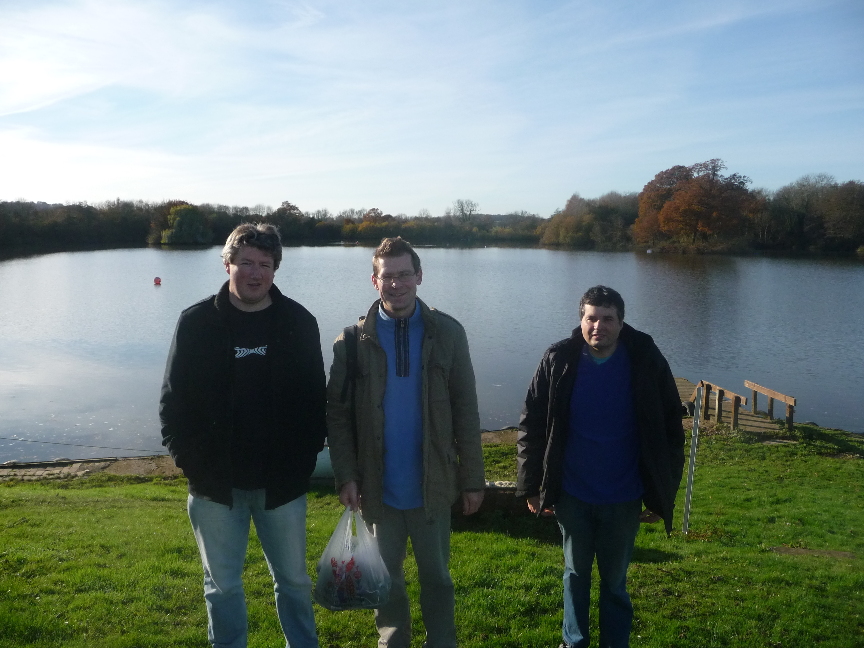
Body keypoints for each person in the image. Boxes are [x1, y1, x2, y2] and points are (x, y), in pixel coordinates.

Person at [160, 223, 325, 648]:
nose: (255, 273)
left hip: (282, 486)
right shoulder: (196, 323)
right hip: (215, 487)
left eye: (265, 265)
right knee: (223, 587)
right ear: (227, 263)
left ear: (275, 269)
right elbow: (173, 405)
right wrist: (192, 463)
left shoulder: (299, 322)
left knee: (293, 582)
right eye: (246, 263)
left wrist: (302, 462)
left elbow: (314, 404)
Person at [326, 236, 485, 648]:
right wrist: (346, 474)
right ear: (374, 281)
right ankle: (392, 642)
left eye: (404, 275)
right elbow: (338, 417)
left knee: (438, 578)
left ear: (419, 276)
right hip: (378, 489)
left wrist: (472, 481)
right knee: (387, 580)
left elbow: (466, 411)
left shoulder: (448, 333)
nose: (396, 284)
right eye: (387, 276)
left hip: (432, 486)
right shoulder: (351, 341)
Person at [517, 285, 684, 648]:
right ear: (580, 321)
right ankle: (573, 642)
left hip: (623, 497)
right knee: (575, 574)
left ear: (621, 323)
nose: (598, 327)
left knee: (614, 581)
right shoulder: (558, 359)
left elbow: (670, 428)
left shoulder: (645, 359)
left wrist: (662, 493)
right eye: (591, 318)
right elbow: (532, 424)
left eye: (607, 319)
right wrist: (531, 486)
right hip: (573, 494)